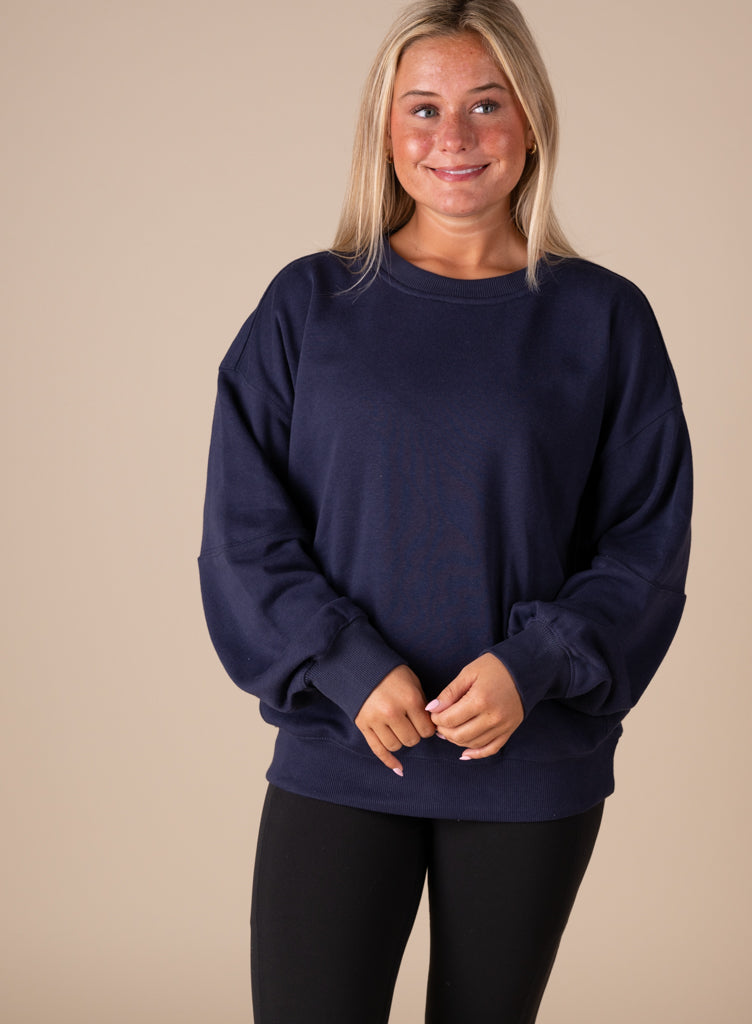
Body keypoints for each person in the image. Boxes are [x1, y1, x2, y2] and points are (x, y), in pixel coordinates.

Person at [198, 1, 692, 1020]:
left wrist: (534, 664)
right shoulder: (308, 305)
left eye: (485, 104)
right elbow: (244, 532)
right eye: (422, 107)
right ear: (384, 131)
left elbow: (644, 543)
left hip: (528, 761)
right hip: (345, 750)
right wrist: (344, 662)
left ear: (531, 121)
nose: (453, 136)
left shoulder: (604, 317)